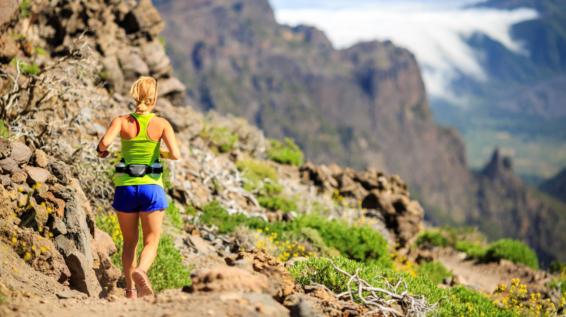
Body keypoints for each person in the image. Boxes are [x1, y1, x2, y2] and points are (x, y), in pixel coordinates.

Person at [97, 76, 180, 299]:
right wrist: (157, 153)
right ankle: (141, 271)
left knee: (129, 242)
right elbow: (175, 154)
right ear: (154, 98)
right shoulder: (162, 124)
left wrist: (102, 149)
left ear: (135, 96)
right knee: (151, 240)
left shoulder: (121, 121)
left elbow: (104, 144)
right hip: (151, 187)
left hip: (126, 188)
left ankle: (130, 291)